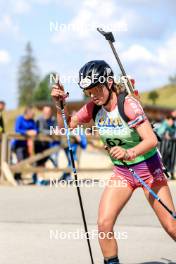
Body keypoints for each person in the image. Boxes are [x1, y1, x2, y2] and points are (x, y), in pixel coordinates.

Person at [51, 60, 176, 264]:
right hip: (123, 174)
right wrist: (59, 105)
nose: (93, 95)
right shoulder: (93, 107)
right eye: (88, 91)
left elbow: (151, 140)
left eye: (97, 89)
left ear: (109, 83)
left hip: (148, 170)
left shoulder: (128, 105)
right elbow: (66, 126)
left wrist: (129, 153)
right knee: (103, 224)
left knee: (171, 225)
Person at [12, 106, 38, 184]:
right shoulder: (19, 119)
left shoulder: (32, 120)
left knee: (26, 161)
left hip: (27, 144)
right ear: (27, 113)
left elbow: (36, 129)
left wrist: (35, 132)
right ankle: (16, 177)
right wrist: (27, 132)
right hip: (18, 144)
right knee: (20, 160)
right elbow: (17, 129)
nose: (33, 115)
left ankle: (19, 176)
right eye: (31, 113)